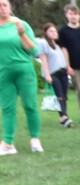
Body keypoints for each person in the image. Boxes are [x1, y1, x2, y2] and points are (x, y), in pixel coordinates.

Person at [0, 0, 42, 154]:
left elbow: (33, 50)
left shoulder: (20, 24)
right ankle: (8, 143)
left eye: (4, 4)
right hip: (3, 73)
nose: (2, 8)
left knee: (30, 105)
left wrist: (22, 34)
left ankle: (35, 140)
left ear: (10, 7)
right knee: (7, 108)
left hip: (24, 70)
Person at [37, 22, 72, 128]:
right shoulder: (43, 44)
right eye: (51, 31)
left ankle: (63, 118)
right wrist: (47, 75)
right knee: (59, 95)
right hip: (53, 73)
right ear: (46, 33)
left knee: (64, 96)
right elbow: (44, 59)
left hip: (62, 72)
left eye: (55, 31)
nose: (54, 33)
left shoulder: (57, 45)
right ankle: (63, 117)